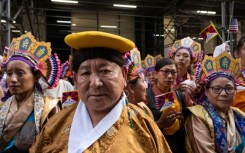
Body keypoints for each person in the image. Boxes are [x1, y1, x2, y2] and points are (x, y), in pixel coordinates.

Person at [30, 31, 172, 153]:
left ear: (124, 74)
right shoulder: (54, 126)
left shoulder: (145, 127)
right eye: (85, 73)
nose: (95, 83)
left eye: (105, 71)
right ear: (75, 79)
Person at [0, 32, 61, 153]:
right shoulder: (2, 106)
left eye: (20, 73)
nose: (13, 79)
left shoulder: (49, 109)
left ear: (36, 75)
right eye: (9, 73)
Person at [186, 51, 245, 153]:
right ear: (206, 91)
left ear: (236, 91)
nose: (223, 93)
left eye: (229, 88)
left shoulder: (239, 115)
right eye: (217, 89)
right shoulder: (199, 116)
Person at [147, 58, 191, 153]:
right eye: (165, 72)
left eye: (173, 72)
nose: (170, 76)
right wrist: (159, 123)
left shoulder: (180, 95)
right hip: (157, 146)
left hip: (179, 146)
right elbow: (141, 128)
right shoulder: (146, 97)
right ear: (156, 73)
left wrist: (182, 120)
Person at [169, 37, 201, 103]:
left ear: (191, 61)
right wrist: (175, 90)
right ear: (173, 58)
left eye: (186, 56)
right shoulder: (167, 78)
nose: (181, 58)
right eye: (178, 55)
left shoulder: (194, 80)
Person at [123, 51, 154, 119]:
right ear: (131, 88)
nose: (146, 86)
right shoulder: (123, 114)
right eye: (143, 81)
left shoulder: (143, 107)